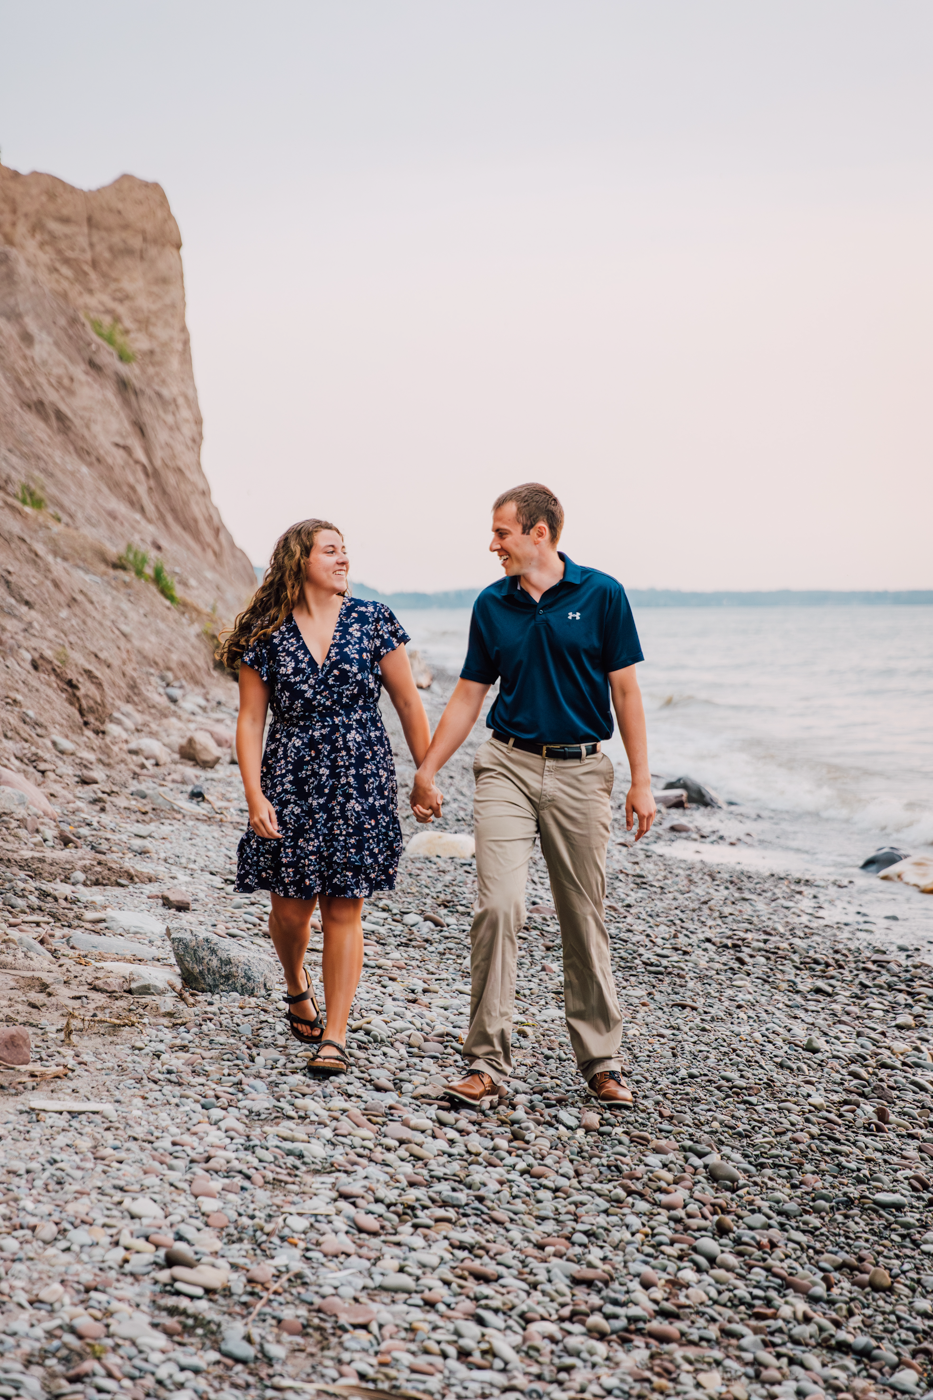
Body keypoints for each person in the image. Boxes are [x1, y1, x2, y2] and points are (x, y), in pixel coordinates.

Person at [410, 484, 655, 1107]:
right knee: (498, 906)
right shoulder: (491, 605)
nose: (493, 544)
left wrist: (641, 780)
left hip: (581, 774)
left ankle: (601, 1061)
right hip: (508, 769)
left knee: (583, 915)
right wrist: (429, 768)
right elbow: (469, 694)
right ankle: (486, 1062)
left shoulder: (603, 595)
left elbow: (625, 693)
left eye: (502, 532)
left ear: (539, 532)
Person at [220, 518, 430, 1075]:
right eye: (330, 551)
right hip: (291, 782)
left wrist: (425, 772)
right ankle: (295, 983)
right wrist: (253, 794)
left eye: (345, 551)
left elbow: (408, 703)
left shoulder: (372, 620)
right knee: (290, 912)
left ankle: (334, 1035)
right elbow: (249, 722)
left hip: (360, 780)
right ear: (300, 561)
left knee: (344, 906)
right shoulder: (265, 637)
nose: (343, 559)